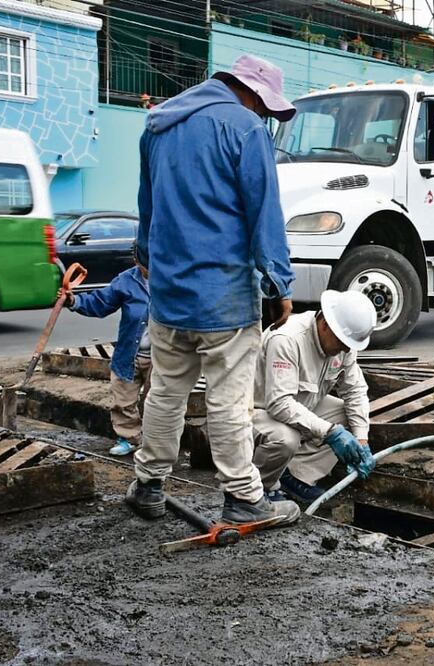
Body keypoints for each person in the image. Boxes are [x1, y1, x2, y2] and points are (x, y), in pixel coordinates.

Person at [131, 54, 300, 526]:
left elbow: (147, 203)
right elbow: (263, 213)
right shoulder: (245, 129)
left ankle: (148, 485)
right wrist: (279, 281)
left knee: (165, 392)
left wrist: (144, 258)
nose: (266, 114)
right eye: (265, 105)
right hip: (223, 294)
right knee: (229, 399)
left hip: (168, 293)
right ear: (249, 91)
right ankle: (245, 497)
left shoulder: (158, 125)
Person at [252, 290, 377, 504]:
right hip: (256, 411)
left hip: (297, 406)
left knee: (346, 416)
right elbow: (279, 404)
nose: (345, 349)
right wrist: (329, 432)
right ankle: (258, 489)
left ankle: (294, 477)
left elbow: (355, 390)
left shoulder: (344, 345)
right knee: (286, 438)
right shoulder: (287, 339)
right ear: (326, 323)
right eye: (343, 342)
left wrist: (362, 440)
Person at [61, 252, 151, 456]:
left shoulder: (172, 278)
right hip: (129, 353)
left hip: (163, 356)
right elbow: (100, 302)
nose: (149, 268)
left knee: (158, 402)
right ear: (136, 260)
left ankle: (157, 445)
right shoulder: (127, 280)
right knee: (123, 400)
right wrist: (73, 301)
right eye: (144, 263)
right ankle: (130, 438)